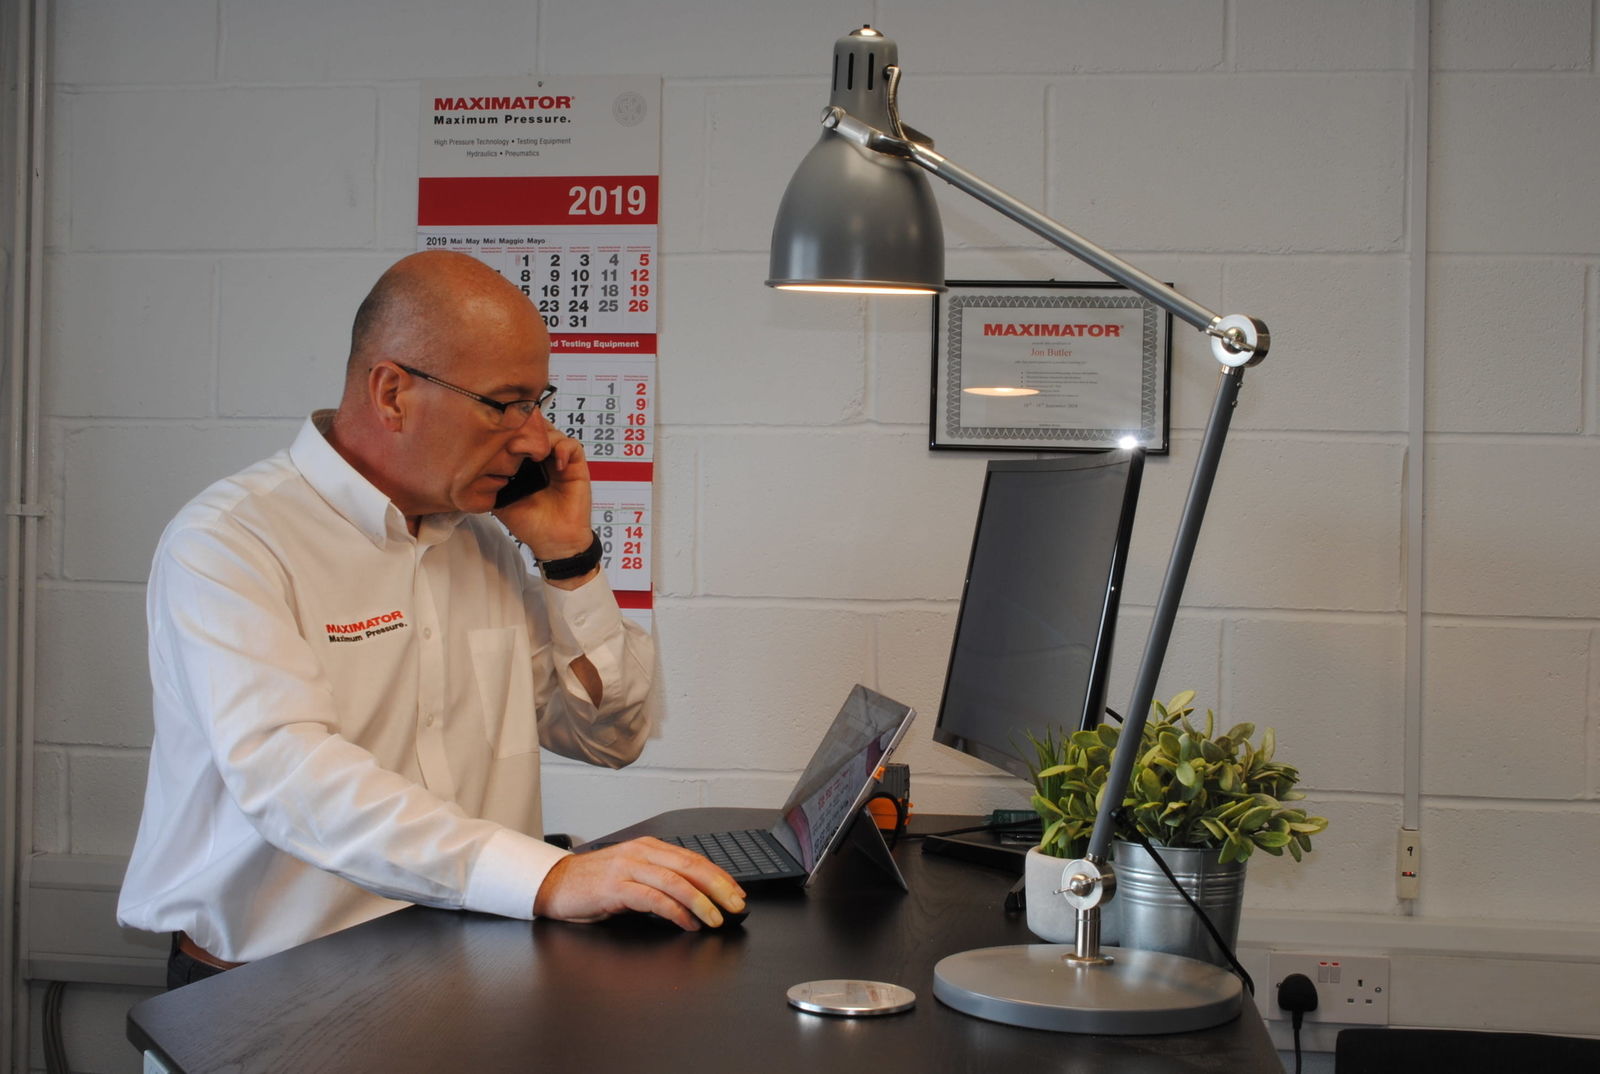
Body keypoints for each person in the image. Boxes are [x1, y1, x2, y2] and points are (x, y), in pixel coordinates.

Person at [117, 251, 743, 988]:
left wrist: (570, 560)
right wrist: (547, 878)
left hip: (464, 978)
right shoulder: (231, 541)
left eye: (537, 404)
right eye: (504, 404)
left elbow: (610, 739)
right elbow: (292, 778)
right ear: (392, 394)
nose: (535, 440)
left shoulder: (482, 543)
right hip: (270, 995)